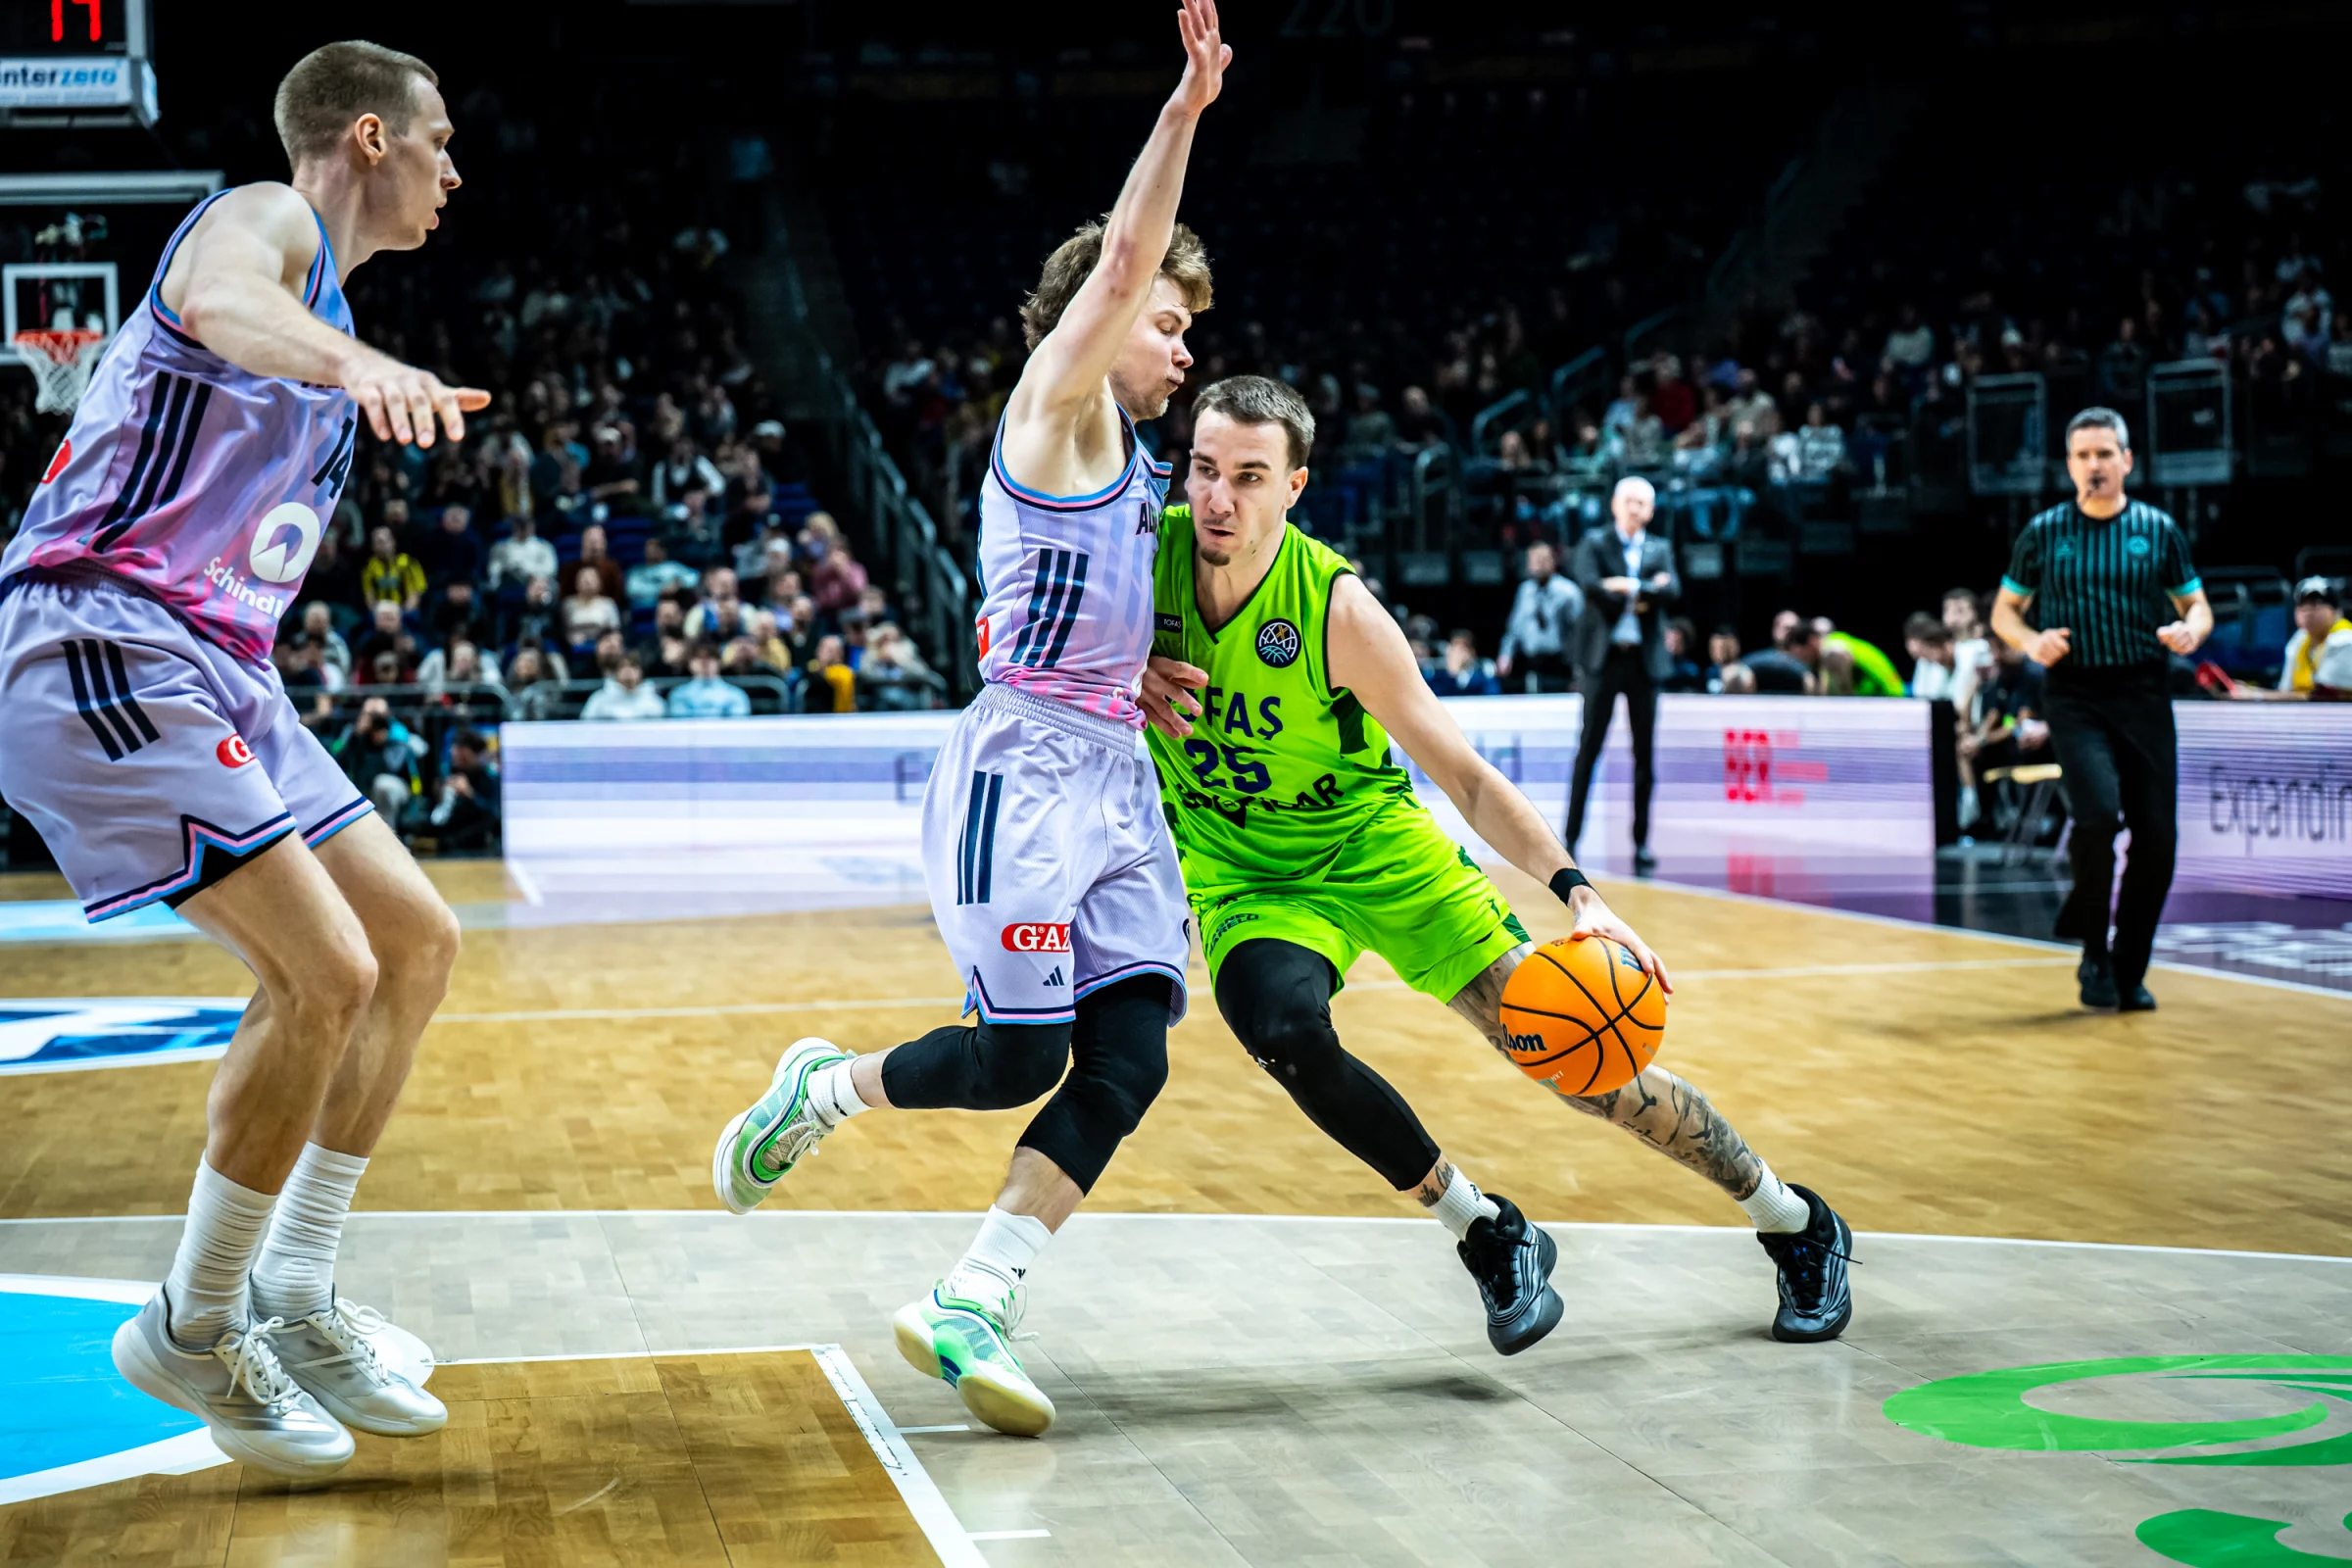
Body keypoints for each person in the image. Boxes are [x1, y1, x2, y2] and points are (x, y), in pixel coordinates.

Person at [710, 0, 1229, 1441]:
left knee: (1133, 1053)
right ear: (1103, 320)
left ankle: (975, 1294)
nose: (1183, 349)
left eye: (1190, 327)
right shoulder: (1056, 405)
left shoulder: (1132, 460)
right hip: (1026, 769)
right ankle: (826, 1089)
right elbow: (1121, 262)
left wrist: (1130, 672)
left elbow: (1079, 604)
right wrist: (1184, 109)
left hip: (1116, 771)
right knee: (1016, 1059)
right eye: (1170, 323)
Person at [1137, 376, 1852, 1356]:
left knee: (1575, 1058)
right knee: (1283, 1031)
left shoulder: (1338, 610)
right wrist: (1116, 668)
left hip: (1376, 850)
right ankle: (1485, 1229)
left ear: (1295, 486)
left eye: (1249, 477)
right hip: (1243, 872)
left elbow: (1469, 780)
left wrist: (1579, 895)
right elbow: (1026, 642)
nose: (1217, 498)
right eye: (1203, 469)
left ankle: (1793, 1219)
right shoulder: (1142, 559)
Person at [0, 41, 471, 1477]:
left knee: (416, 941)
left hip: (223, 665)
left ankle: (294, 1287)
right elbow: (218, 301)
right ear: (372, 136)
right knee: (325, 973)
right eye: (441, 141)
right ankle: (194, 1324)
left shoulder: (329, 307)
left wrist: (348, 356)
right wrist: (360, 364)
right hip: (99, 629)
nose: (455, 173)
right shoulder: (262, 219)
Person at [1991, 408, 2211, 1011]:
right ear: (2069, 465)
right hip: (2075, 692)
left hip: (2143, 690)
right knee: (2095, 816)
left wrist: (2190, 631)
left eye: (2105, 454)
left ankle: (2128, 967)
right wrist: (2029, 641)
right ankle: (2093, 947)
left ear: (2127, 461)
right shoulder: (2043, 532)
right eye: (2083, 455)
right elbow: (2004, 612)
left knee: (2157, 836)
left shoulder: (2157, 529)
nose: (2095, 465)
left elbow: (2197, 605)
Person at [1565, 477, 1680, 874]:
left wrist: (1624, 586)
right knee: (1588, 750)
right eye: (1629, 500)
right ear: (1615, 504)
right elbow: (1591, 587)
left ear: (1651, 509)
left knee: (1644, 757)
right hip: (1604, 661)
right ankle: (1570, 840)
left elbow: (1672, 591)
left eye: (1642, 502)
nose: (1635, 508)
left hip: (1643, 663)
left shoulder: (1660, 548)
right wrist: (1645, 592)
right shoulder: (1595, 543)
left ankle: (1641, 843)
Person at [2231, 577, 2352, 699]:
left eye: (2316, 604)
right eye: (2302, 605)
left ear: (2335, 610)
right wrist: (2250, 691)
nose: (2308, 612)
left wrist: (2256, 695)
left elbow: (2324, 697)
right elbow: (2285, 692)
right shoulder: (2299, 639)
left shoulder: (2344, 640)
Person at [1494, 540, 1581, 694]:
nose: (1538, 565)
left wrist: (1579, 668)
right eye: (1533, 560)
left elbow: (1580, 632)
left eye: (1542, 560)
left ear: (1553, 561)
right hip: (1530, 662)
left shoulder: (1568, 592)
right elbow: (1514, 628)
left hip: (1559, 662)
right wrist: (1505, 655)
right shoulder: (1525, 591)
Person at [666, 641, 751, 718]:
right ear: (689, 663)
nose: (705, 662)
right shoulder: (679, 695)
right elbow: (681, 724)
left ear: (719, 662)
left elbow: (738, 724)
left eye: (710, 657)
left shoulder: (736, 694)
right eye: (699, 657)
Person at [579, 648, 664, 720]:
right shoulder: (598, 700)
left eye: (633, 666)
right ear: (615, 672)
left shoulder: (654, 701)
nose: (628, 670)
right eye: (623, 666)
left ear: (641, 671)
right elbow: (586, 727)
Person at [1426, 628, 1501, 697]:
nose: (1457, 654)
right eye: (1454, 648)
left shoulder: (1483, 677)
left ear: (1472, 652)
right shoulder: (1437, 678)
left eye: (1462, 649)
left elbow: (1493, 697)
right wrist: (1452, 675)